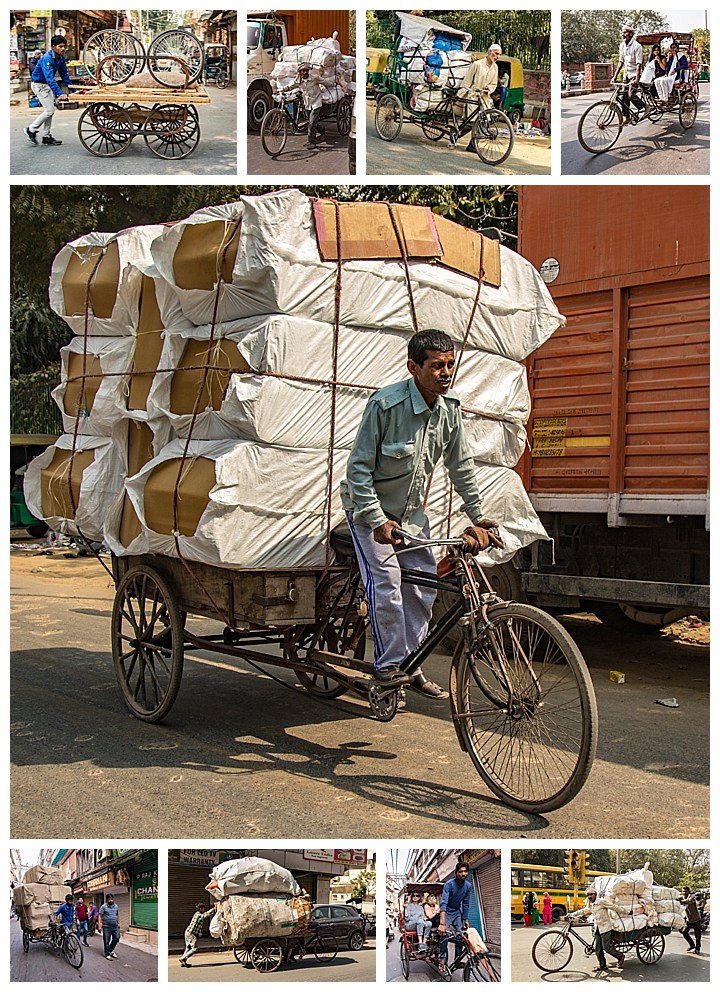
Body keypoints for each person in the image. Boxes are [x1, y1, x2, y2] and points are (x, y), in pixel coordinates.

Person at [341, 329, 500, 698]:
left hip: (411, 518)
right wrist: (377, 520)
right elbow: (358, 470)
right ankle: (388, 667)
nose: (445, 372)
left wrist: (477, 516)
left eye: (449, 365)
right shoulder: (385, 406)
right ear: (413, 367)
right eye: (436, 366)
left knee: (422, 588)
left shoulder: (449, 412)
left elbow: (461, 468)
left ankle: (410, 663)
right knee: (388, 586)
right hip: (370, 516)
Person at [25, 34, 72, 146]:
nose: (63, 49)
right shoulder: (47, 58)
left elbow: (64, 74)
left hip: (47, 86)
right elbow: (49, 78)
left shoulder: (61, 58)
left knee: (50, 111)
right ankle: (31, 129)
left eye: (64, 46)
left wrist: (72, 89)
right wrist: (60, 93)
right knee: (49, 111)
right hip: (39, 85)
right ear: (53, 47)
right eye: (60, 46)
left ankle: (46, 136)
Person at [457, 44, 502, 152]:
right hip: (473, 95)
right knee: (471, 121)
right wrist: (460, 95)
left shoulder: (495, 67)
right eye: (496, 53)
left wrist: (488, 88)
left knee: (484, 121)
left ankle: (473, 145)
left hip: (485, 97)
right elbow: (467, 81)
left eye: (499, 55)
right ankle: (456, 133)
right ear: (489, 52)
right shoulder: (477, 64)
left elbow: (494, 84)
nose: (497, 57)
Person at [568, 889, 625, 973]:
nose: (589, 896)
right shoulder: (591, 903)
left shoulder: (602, 902)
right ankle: (603, 966)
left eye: (591, 894)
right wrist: (573, 914)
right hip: (598, 928)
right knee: (598, 949)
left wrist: (626, 911)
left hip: (605, 927)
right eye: (588, 895)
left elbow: (614, 907)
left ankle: (620, 956)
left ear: (595, 894)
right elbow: (585, 910)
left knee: (607, 948)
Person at [438, 862, 472, 972]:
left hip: (457, 912)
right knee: (444, 935)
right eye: (460, 871)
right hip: (447, 912)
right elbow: (443, 903)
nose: (463, 874)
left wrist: (465, 919)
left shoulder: (468, 886)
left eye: (465, 871)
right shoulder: (449, 884)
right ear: (456, 872)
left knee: (460, 936)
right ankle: (442, 959)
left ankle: (457, 961)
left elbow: (466, 904)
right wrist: (442, 923)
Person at [613, 24, 644, 123]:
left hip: (635, 74)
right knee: (624, 96)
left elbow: (639, 64)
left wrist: (637, 79)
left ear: (630, 34)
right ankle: (627, 116)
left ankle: (646, 107)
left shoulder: (637, 46)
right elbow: (621, 61)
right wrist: (615, 76)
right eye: (622, 32)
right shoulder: (622, 45)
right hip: (626, 74)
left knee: (631, 95)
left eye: (624, 33)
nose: (622, 35)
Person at [180, 902, 217, 966]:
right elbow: (206, 915)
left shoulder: (197, 914)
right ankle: (183, 958)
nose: (204, 909)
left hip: (188, 932)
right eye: (203, 908)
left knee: (188, 948)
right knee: (195, 948)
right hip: (191, 934)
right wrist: (214, 908)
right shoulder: (198, 915)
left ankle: (184, 961)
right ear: (200, 908)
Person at [679, 886, 702, 954]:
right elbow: (676, 898)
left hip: (696, 919)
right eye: (683, 891)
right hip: (689, 919)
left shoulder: (692, 896)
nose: (684, 893)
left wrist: (680, 901)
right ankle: (692, 945)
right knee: (684, 933)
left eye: (686, 891)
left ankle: (697, 948)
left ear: (689, 891)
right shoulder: (682, 897)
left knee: (697, 935)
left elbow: (688, 901)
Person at [99, 893, 121, 960]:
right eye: (109, 899)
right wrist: (100, 925)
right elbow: (100, 915)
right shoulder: (103, 907)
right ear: (107, 900)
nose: (110, 900)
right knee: (106, 941)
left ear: (113, 899)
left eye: (111, 899)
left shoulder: (116, 906)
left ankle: (110, 950)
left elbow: (117, 914)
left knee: (116, 938)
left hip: (115, 926)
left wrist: (119, 923)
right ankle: (107, 954)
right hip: (106, 926)